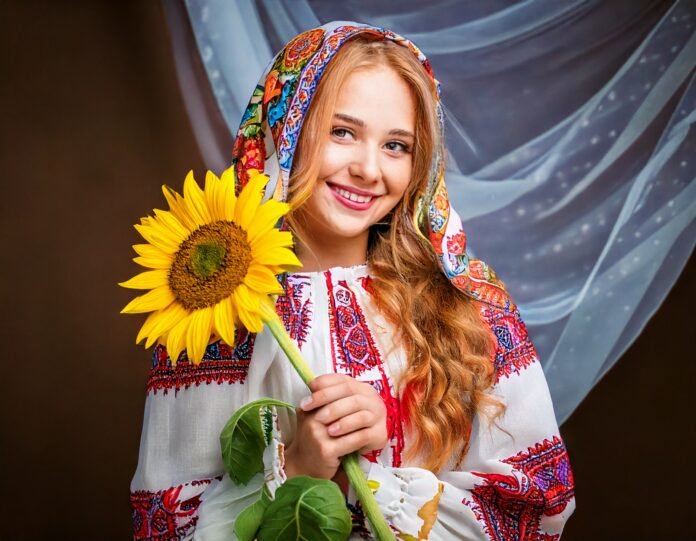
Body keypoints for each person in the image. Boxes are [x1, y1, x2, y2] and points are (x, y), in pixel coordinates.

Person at [130, 22, 575, 540]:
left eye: (396, 146)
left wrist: (375, 487)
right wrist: (296, 469)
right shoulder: (211, 313)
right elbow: (163, 526)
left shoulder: (471, 308)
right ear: (284, 133)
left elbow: (540, 500)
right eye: (342, 132)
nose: (368, 168)